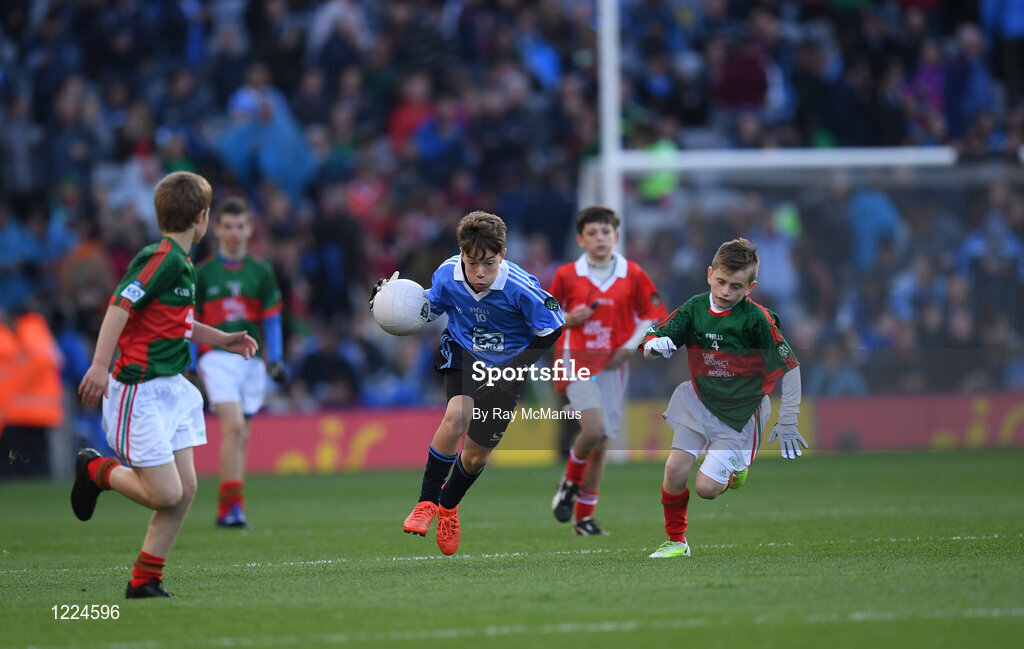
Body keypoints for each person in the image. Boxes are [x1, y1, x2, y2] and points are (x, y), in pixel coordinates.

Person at [75, 171, 259, 598]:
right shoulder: (161, 260)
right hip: (139, 390)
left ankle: (144, 580)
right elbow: (119, 306)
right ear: (202, 217)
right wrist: (100, 366)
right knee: (165, 493)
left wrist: (224, 339)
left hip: (172, 388)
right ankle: (94, 470)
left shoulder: (181, 262)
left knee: (185, 490)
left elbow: (179, 323)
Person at [371, 211, 565, 556]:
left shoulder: (521, 287)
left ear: (502, 255)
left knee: (476, 458)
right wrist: (391, 303)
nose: (479, 273)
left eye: (488, 264)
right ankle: (426, 503)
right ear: (461, 253)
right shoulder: (447, 274)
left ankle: (448, 506)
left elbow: (552, 327)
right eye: (472, 262)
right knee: (457, 413)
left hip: (507, 367)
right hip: (464, 352)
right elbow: (429, 308)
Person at [640, 237, 806, 558]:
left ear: (750, 287)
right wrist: (652, 347)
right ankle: (677, 542)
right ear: (709, 274)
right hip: (699, 401)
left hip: (741, 414)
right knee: (674, 469)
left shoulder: (756, 319)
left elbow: (790, 368)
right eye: (721, 282)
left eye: (736, 286)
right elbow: (656, 335)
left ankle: (735, 470)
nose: (726, 292)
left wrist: (788, 418)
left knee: (706, 489)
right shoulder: (694, 308)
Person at [548, 206, 667, 535]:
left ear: (616, 236)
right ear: (580, 239)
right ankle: (569, 484)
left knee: (600, 445)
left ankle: (583, 519)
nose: (600, 238)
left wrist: (628, 347)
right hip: (576, 361)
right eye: (592, 233)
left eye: (605, 232)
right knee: (594, 427)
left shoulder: (633, 273)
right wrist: (568, 319)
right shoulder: (567, 275)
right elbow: (545, 315)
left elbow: (651, 315)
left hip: (614, 365)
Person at [195, 197, 286, 528]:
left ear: (250, 230)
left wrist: (274, 360)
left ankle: (229, 506)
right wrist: (191, 366)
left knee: (241, 435)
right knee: (232, 427)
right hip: (216, 356)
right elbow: (189, 323)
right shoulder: (203, 274)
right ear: (217, 229)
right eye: (228, 226)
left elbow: (272, 320)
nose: (234, 232)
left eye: (241, 226)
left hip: (251, 360)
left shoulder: (261, 272)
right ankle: (230, 508)